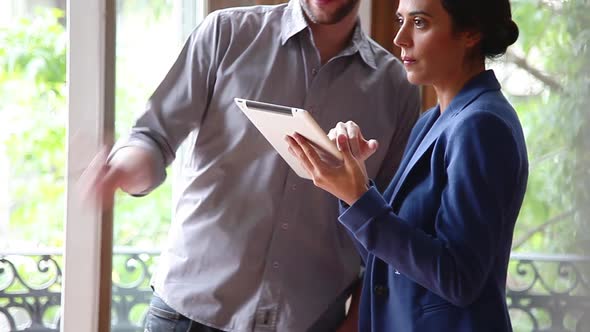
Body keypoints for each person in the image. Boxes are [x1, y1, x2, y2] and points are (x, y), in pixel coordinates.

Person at [81, 0, 420, 331]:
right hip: (187, 315)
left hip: (309, 321)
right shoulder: (225, 33)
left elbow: (388, 225)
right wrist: (125, 170)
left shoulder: (397, 86)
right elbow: (153, 136)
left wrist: (355, 321)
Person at [286, 0, 528, 330]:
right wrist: (352, 183)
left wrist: (360, 199)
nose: (399, 38)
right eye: (400, 20)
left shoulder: (482, 125)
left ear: (470, 32)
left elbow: (459, 278)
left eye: (419, 23)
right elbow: (388, 257)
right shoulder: (431, 121)